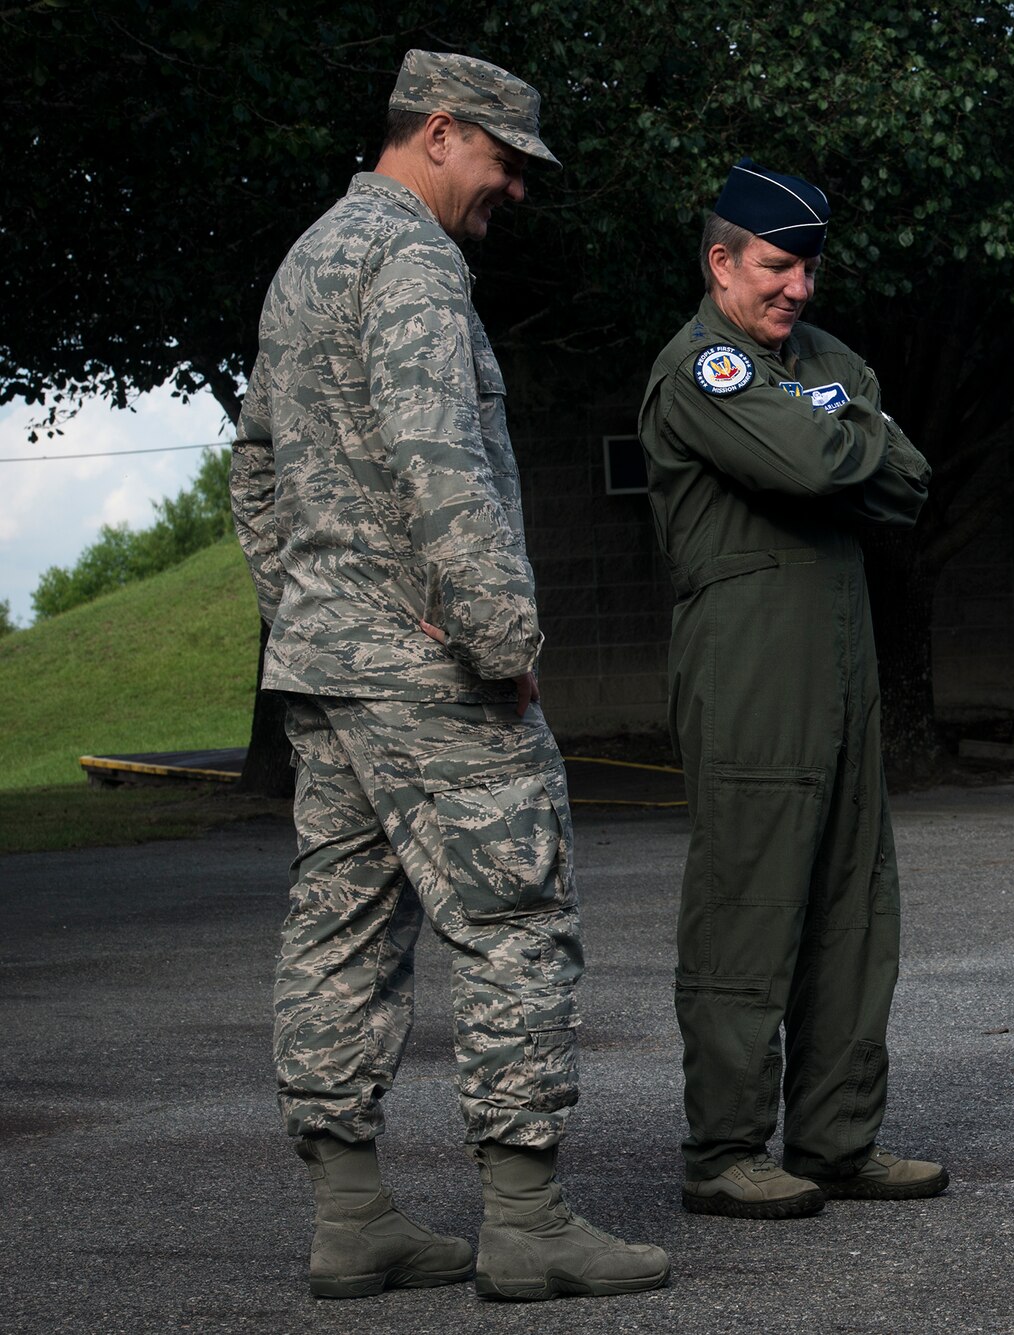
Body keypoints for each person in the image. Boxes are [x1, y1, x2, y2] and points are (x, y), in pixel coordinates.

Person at [229, 50, 668, 1302]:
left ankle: (352, 1217)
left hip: (328, 664)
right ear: (438, 132)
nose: (514, 189)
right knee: (516, 914)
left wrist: (309, 609)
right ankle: (526, 1222)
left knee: (342, 924)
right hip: (431, 667)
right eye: (504, 161)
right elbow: (440, 467)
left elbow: (252, 469)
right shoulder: (415, 261)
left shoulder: (310, 257)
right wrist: (501, 640)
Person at [636, 159, 945, 1220]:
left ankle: (834, 1140)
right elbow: (822, 469)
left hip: (841, 664)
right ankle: (722, 1149)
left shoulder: (825, 360)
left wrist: (838, 437)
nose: (796, 290)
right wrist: (842, 437)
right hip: (748, 667)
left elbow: (906, 480)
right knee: (749, 905)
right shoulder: (700, 370)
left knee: (853, 905)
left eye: (807, 270)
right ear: (721, 262)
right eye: (775, 267)